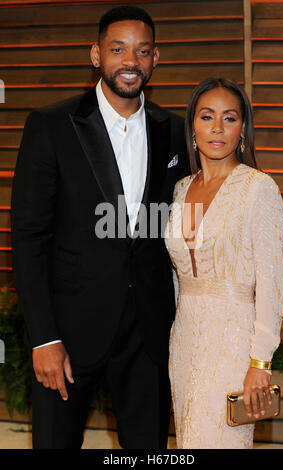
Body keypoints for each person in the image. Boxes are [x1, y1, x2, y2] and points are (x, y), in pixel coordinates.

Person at [11, 6, 189, 449]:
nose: (131, 60)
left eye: (142, 51)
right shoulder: (51, 126)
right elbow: (28, 238)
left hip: (148, 337)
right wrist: (44, 338)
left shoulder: (177, 132)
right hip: (68, 335)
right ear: (96, 55)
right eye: (118, 49)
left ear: (155, 59)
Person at [165, 78, 283, 449]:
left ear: (243, 129)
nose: (217, 128)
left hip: (234, 344)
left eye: (229, 118)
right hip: (183, 342)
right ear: (193, 127)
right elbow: (176, 274)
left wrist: (260, 363)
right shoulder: (181, 188)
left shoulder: (258, 188)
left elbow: (271, 283)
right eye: (207, 117)